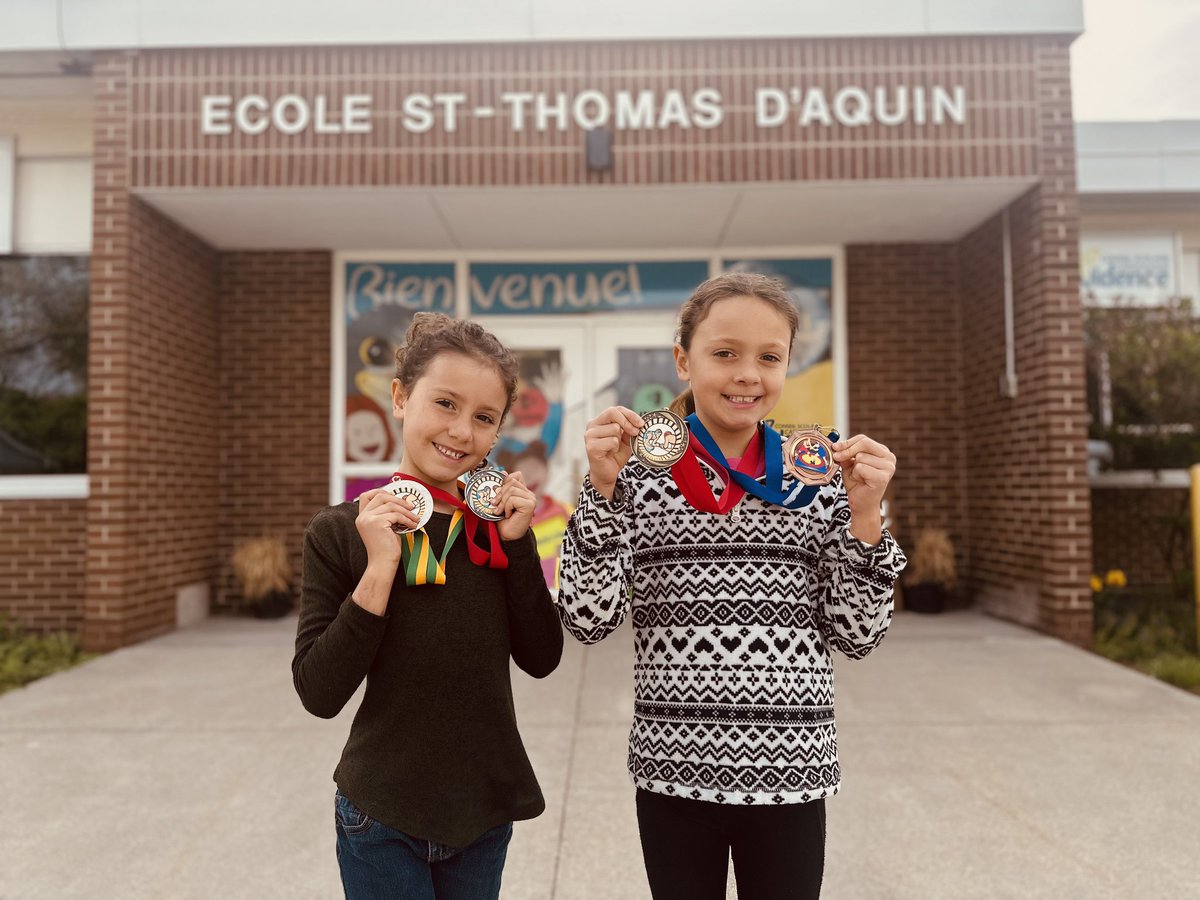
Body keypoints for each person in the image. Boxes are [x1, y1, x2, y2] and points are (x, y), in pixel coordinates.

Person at [556, 272, 906, 900]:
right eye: (725, 353)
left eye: (769, 358)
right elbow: (587, 619)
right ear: (683, 360)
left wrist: (866, 517)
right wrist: (601, 491)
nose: (748, 374)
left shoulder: (818, 479)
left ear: (787, 367)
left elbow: (857, 635)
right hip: (673, 768)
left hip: (792, 768)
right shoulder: (638, 474)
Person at [293, 312, 564, 900]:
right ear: (399, 397)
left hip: (483, 810)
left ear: (498, 433)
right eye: (445, 403)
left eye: (484, 417)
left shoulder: (498, 532)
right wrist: (381, 568)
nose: (461, 431)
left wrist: (518, 546)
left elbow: (543, 657)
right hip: (381, 813)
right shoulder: (341, 531)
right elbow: (318, 692)